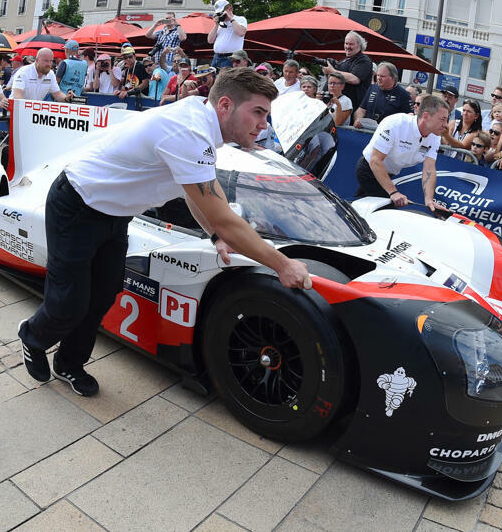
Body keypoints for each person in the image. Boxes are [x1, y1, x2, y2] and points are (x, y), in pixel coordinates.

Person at [17, 67, 310, 396]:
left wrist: (215, 235)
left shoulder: (203, 119)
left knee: (103, 294)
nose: (264, 125)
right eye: (258, 112)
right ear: (225, 105)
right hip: (77, 205)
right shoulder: (189, 132)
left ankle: (69, 363)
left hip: (115, 214)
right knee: (69, 301)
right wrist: (282, 265)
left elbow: (194, 193)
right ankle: (32, 336)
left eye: (266, 115)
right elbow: (223, 214)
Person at [354, 94, 450, 211]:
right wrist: (393, 192)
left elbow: (429, 169)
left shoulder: (435, 136)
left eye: (447, 120)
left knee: (359, 206)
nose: (446, 125)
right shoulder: (396, 123)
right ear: (426, 116)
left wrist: (429, 200)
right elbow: (375, 160)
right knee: (384, 210)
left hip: (388, 173)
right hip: (369, 169)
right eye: (442, 119)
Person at [321, 31, 372, 111]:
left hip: (349, 107)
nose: (348, 47)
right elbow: (335, 78)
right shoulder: (344, 60)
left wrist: (332, 71)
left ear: (359, 45)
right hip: (334, 105)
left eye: (351, 44)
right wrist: (327, 73)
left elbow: (354, 79)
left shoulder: (363, 60)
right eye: (346, 43)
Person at [353, 62, 411, 127]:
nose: (379, 78)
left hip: (388, 134)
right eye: (378, 75)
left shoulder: (403, 95)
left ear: (393, 78)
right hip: (367, 131)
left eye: (382, 76)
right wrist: (357, 120)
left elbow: (408, 117)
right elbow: (361, 109)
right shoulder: (372, 88)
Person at [11, 48, 75, 102]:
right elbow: (17, 96)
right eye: (46, 61)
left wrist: (67, 98)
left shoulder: (50, 74)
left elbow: (57, 94)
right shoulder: (23, 72)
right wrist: (27, 108)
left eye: (51, 61)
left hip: (32, 110)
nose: (49, 64)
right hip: (16, 109)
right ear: (37, 60)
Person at [207, 0, 247, 69]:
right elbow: (210, 40)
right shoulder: (220, 23)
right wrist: (216, 24)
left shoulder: (240, 19)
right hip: (217, 57)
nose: (221, 15)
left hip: (231, 57)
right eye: (218, 13)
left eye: (222, 12)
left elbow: (241, 33)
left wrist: (231, 19)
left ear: (230, 8)